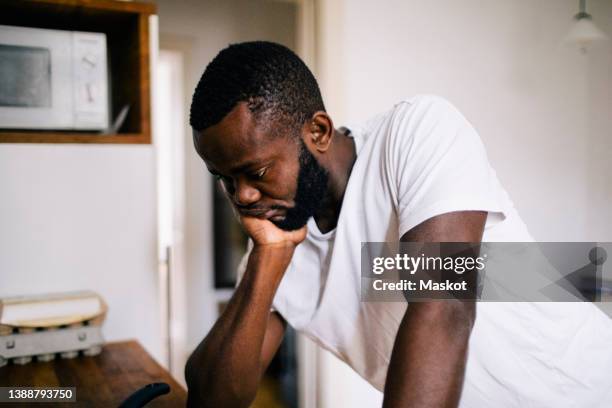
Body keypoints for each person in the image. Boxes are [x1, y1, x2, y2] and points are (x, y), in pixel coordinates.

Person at [185, 41, 612, 407]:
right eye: (224, 178)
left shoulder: (415, 133)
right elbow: (213, 399)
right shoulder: (279, 239)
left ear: (318, 131)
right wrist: (267, 258)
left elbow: (442, 307)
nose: (241, 196)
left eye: (255, 173)